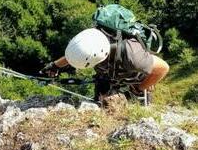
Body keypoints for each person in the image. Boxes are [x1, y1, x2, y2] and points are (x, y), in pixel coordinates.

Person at [40, 28, 169, 101]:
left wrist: (140, 88)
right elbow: (78, 54)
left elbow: (163, 68)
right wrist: (55, 65)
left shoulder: (133, 57)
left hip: (135, 81)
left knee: (137, 115)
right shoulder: (91, 41)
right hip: (107, 74)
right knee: (101, 104)